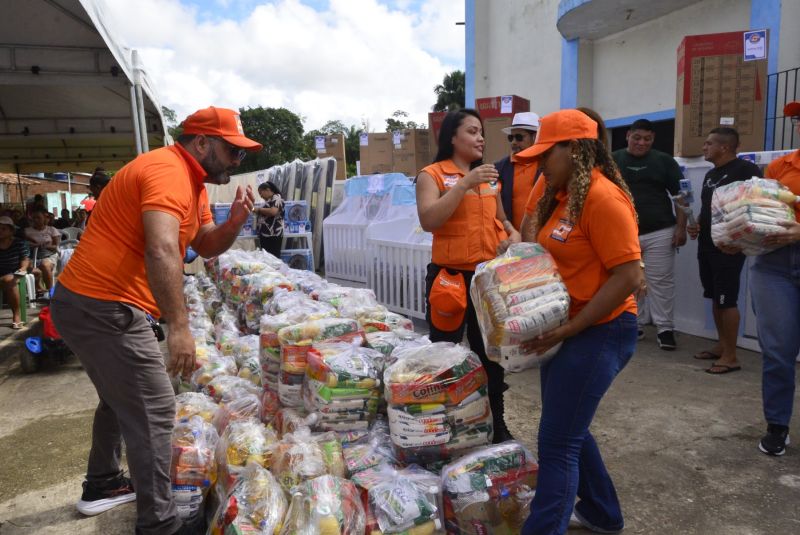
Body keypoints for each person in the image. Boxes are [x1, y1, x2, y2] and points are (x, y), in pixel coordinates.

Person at [50, 106, 261, 535]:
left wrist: (236, 222)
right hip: (103, 305)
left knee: (120, 397)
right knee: (156, 408)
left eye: (242, 154)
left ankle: (103, 484)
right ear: (201, 142)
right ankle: (159, 525)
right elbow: (163, 249)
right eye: (232, 151)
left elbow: (204, 245)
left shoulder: (195, 184)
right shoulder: (166, 171)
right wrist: (178, 328)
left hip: (88, 303)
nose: (238, 162)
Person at [515, 109, 642, 535]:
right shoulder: (564, 194)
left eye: (545, 155)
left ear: (574, 149)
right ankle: (604, 515)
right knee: (567, 426)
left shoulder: (603, 198)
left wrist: (573, 326)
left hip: (602, 330)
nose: (538, 165)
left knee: (557, 443)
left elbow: (629, 276)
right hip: (569, 328)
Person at [416, 108, 521, 443]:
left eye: (481, 133)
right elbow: (430, 220)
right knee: (442, 353)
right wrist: (464, 184)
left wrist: (511, 233)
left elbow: (502, 219)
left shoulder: (490, 178)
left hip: (485, 280)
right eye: (473, 132)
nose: (481, 139)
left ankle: (497, 425)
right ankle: (438, 426)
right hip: (449, 278)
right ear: (452, 137)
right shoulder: (431, 175)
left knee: (492, 355)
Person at [686, 127, 761, 374]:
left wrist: (740, 240)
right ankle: (721, 346)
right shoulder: (710, 174)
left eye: (709, 144)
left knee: (726, 299)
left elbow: (755, 207)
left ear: (724, 147)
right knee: (715, 296)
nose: (704, 148)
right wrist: (696, 223)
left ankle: (731, 356)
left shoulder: (746, 170)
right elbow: (709, 208)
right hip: (707, 244)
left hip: (729, 247)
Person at [750, 100, 800, 455]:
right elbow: (760, 211)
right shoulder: (780, 167)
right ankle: (778, 426)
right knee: (778, 351)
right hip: (775, 264)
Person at [612, 119, 686, 350]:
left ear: (653, 139)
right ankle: (635, 324)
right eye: (637, 138)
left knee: (661, 281)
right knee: (629, 280)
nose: (641, 143)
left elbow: (681, 196)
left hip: (660, 231)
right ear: (628, 136)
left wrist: (681, 227)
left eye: (647, 139)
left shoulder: (665, 161)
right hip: (622, 233)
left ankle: (665, 328)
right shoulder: (613, 160)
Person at [494, 112, 541, 231]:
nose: (513, 142)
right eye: (511, 137)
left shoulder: (548, 166)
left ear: (534, 137)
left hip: (542, 239)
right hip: (511, 239)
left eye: (519, 137)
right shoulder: (499, 169)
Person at [0, 216, 31, 329]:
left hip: (14, 273)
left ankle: (16, 316)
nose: (0, 231)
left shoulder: (19, 243)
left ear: (11, 231)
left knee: (9, 279)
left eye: (3, 229)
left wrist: (22, 269)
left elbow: (25, 259)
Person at [24, 207, 60, 295]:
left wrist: (46, 246)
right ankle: (39, 288)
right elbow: (23, 244)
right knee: (30, 267)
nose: (36, 220)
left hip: (48, 255)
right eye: (34, 218)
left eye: (38, 218)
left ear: (44, 219)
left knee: (45, 264)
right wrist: (33, 244)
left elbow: (56, 247)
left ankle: (50, 291)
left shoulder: (52, 230)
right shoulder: (27, 231)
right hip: (32, 256)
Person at [255, 181, 285, 258]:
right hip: (266, 235)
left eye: (261, 193)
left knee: (273, 258)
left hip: (273, 235)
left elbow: (273, 211)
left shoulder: (276, 197)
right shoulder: (269, 201)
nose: (261, 196)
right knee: (267, 259)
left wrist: (258, 210)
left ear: (267, 190)